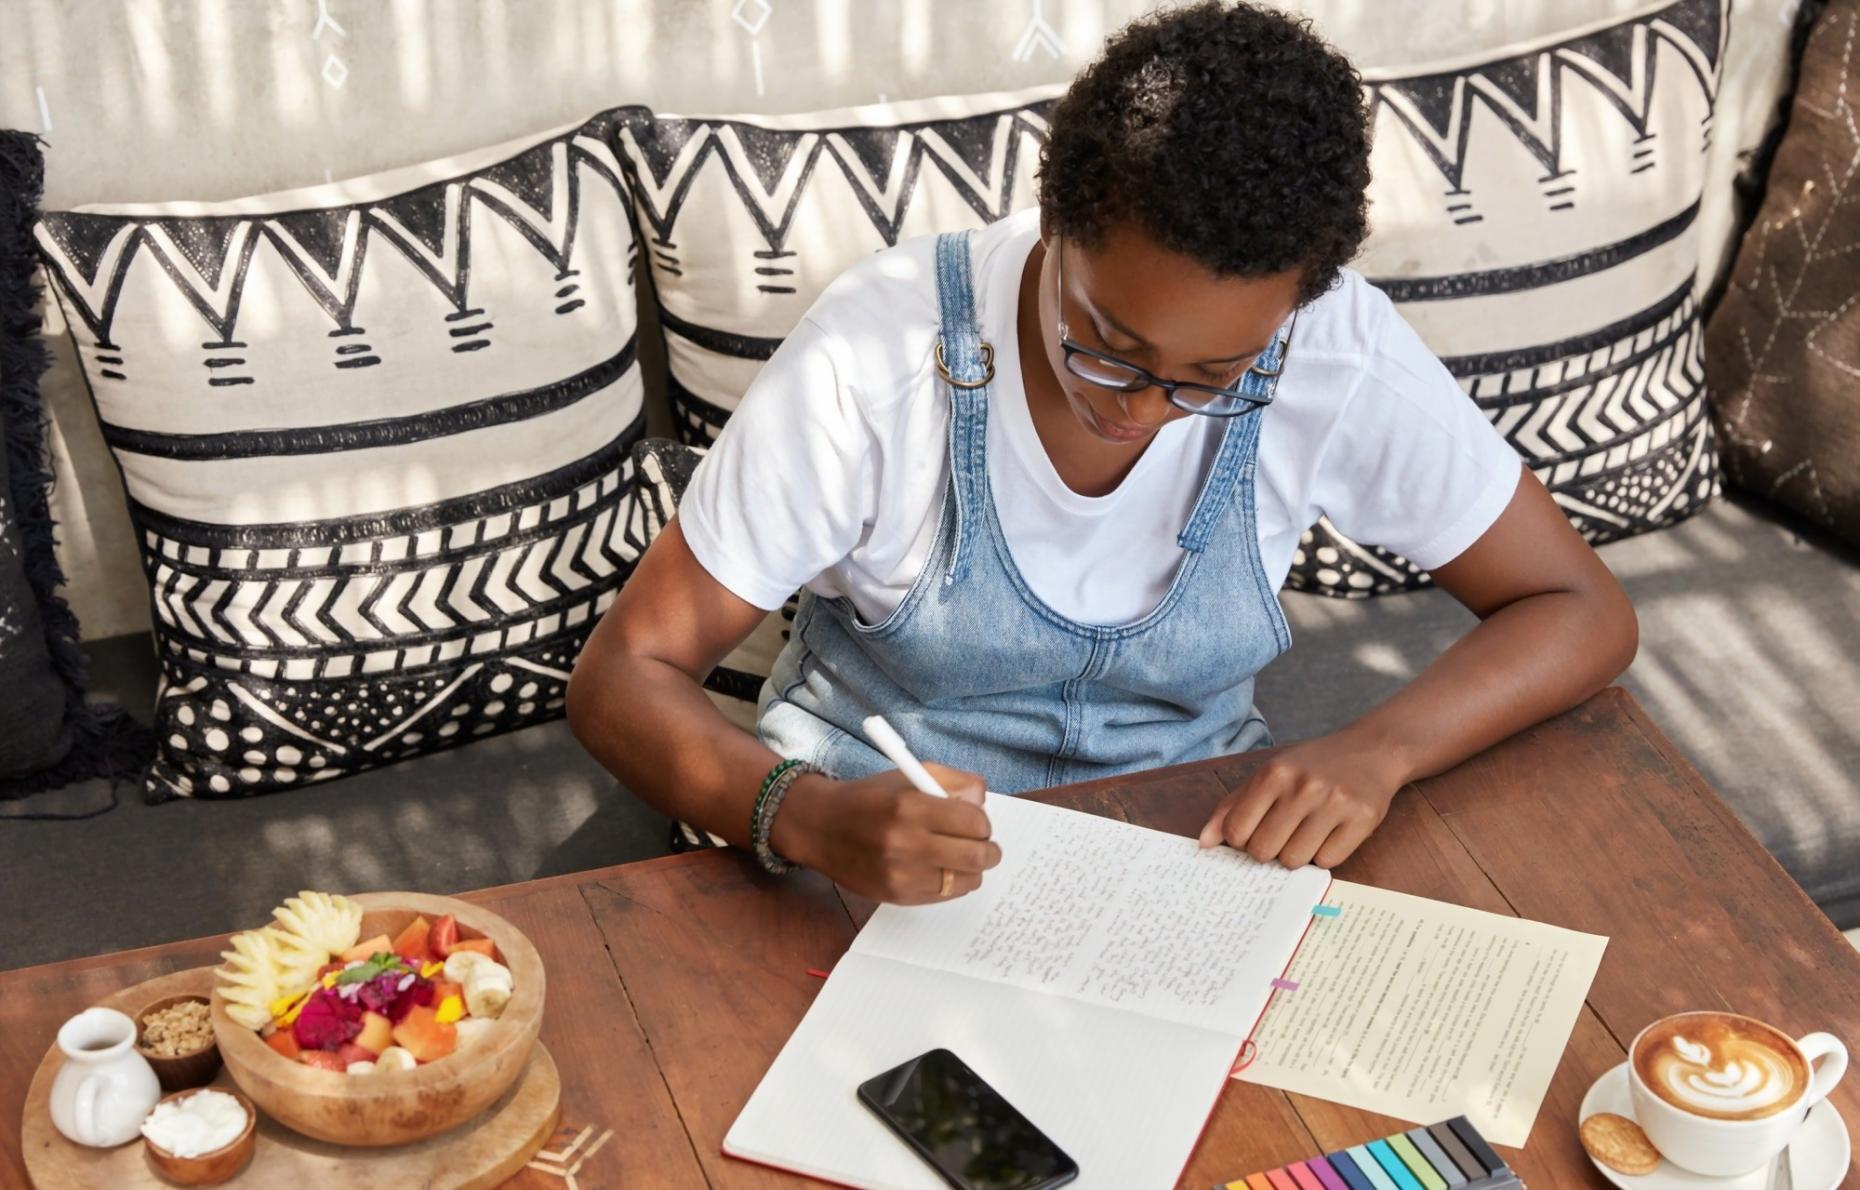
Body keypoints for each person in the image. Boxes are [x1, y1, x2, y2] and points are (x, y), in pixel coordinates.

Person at [566, 1, 1637, 906]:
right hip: (863, 856)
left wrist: (1382, 748)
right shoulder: (881, 357)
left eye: (1215, 377)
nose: (1144, 410)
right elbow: (622, 676)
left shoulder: (1333, 348)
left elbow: (1578, 606)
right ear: (1052, 223)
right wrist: (805, 816)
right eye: (1111, 348)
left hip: (1182, 856)